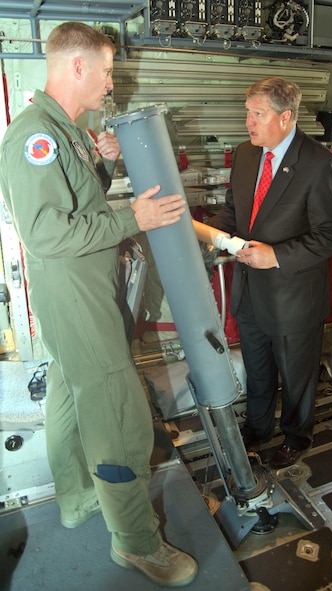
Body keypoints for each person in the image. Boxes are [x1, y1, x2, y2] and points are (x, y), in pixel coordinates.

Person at [0, 21, 198, 587]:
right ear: (77, 66)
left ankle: (78, 498)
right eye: (107, 70)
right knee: (116, 411)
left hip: (77, 290)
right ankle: (135, 543)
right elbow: (44, 231)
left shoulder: (64, 131)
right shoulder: (36, 135)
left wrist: (103, 164)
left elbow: (74, 202)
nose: (112, 82)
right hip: (76, 294)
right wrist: (133, 217)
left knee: (69, 392)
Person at [209, 77, 332, 469]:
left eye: (258, 114)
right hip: (251, 291)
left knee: (296, 375)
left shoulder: (320, 164)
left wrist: (277, 256)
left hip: (293, 297)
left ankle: (296, 435)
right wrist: (214, 233)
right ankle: (257, 429)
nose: (249, 122)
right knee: (257, 369)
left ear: (286, 117)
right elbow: (236, 213)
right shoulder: (245, 154)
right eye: (247, 113)